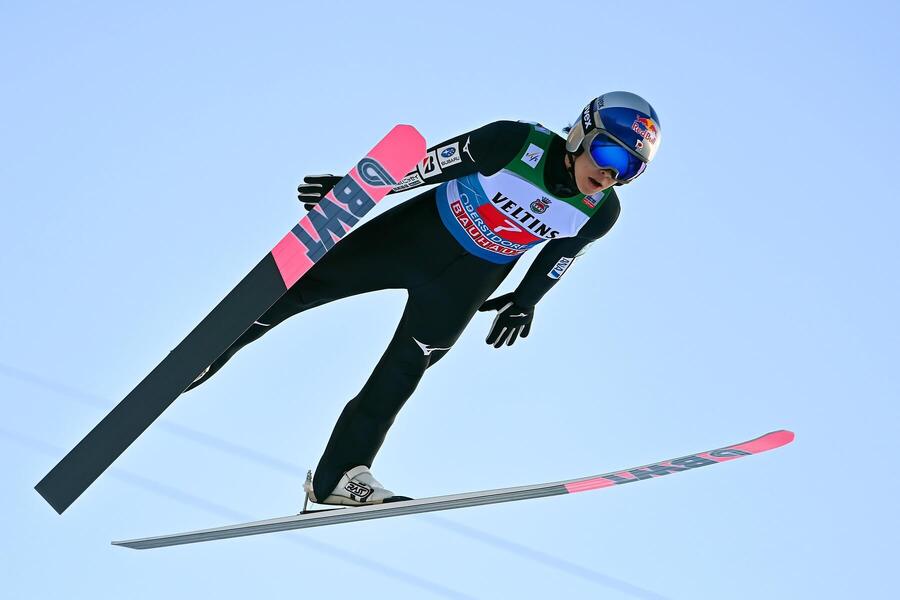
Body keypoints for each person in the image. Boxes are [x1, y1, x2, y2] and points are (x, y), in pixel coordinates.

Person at [187, 91, 662, 506]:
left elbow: (559, 258)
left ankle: (339, 475)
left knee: (403, 372)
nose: (609, 173)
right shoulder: (515, 143)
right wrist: (356, 193)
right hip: (416, 236)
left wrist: (527, 300)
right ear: (581, 132)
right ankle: (208, 354)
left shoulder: (601, 212)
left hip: (469, 280)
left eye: (629, 169)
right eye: (607, 153)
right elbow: (430, 166)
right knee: (305, 288)